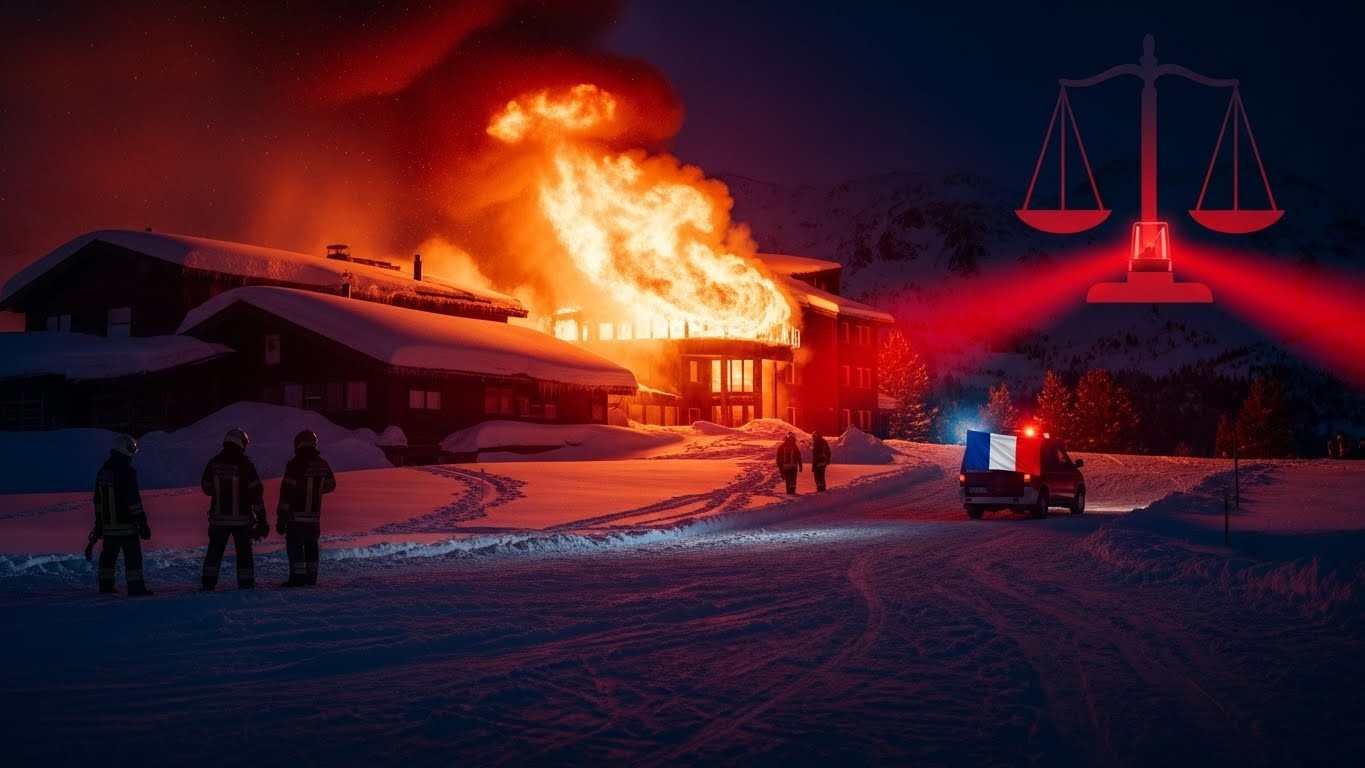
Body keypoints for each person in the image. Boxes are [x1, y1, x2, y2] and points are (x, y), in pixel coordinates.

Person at [200, 427, 268, 590]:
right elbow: (256, 492)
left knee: (214, 552)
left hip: (218, 519)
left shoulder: (214, 463)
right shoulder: (246, 465)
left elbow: (206, 488)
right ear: (240, 443)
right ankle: (245, 584)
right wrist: (262, 519)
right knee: (244, 554)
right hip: (242, 520)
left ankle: (208, 584)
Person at [90, 434, 153, 595]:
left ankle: (106, 586)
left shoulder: (103, 471)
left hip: (109, 527)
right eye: (132, 448)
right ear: (123, 449)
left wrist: (99, 524)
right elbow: (133, 500)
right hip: (127, 526)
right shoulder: (127, 471)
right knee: (133, 558)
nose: (133, 452)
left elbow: (98, 500)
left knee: (108, 558)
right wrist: (142, 523)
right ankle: (136, 587)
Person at [276, 429, 337, 587]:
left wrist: (282, 518)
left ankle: (297, 579)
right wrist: (316, 489)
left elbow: (286, 492)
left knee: (295, 547)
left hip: (295, 518)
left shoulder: (295, 465)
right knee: (312, 546)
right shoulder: (322, 464)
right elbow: (331, 485)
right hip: (314, 518)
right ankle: (311, 578)